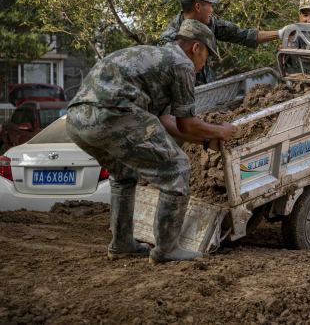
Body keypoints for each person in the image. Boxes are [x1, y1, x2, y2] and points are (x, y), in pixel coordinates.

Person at [67, 19, 238, 264]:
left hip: (77, 120)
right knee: (177, 169)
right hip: (113, 114)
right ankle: (167, 249)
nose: (204, 64)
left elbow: (167, 121)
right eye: (207, 56)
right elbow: (186, 124)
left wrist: (204, 139)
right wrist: (220, 131)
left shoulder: (156, 58)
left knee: (124, 174)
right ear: (196, 47)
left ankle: (122, 243)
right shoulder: (182, 64)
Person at [160, 0, 280, 85]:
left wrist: (280, 33)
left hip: (209, 91)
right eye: (210, 5)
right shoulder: (170, 40)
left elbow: (243, 35)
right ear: (198, 6)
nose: (212, 10)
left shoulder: (212, 24)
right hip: (186, 100)